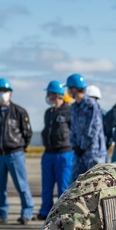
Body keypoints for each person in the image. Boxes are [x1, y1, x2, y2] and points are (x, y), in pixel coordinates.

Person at [0, 78, 34, 225]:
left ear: (11, 93)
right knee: (0, 187)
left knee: (21, 185)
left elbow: (27, 132)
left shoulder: (19, 111)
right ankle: (1, 213)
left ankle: (27, 212)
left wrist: (21, 147)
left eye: (5, 91)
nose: (2, 94)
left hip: (15, 153)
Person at [37, 81, 73, 221]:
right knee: (47, 186)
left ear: (57, 95)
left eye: (49, 93)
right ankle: (45, 210)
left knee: (63, 186)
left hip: (64, 153)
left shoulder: (69, 111)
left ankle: (62, 212)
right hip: (48, 153)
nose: (47, 96)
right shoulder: (49, 112)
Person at [66, 74, 107, 183]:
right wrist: (75, 146)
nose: (68, 91)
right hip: (79, 154)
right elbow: (73, 128)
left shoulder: (91, 105)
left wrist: (83, 146)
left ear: (74, 89)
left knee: (96, 184)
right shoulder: (74, 107)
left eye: (69, 88)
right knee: (75, 184)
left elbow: (93, 129)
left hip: (93, 154)